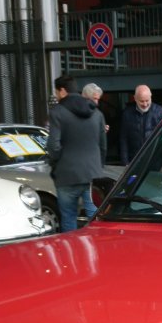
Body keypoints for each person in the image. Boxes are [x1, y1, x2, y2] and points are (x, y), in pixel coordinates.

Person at [46, 75, 107, 231]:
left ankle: (73, 253)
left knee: (68, 218)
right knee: (94, 217)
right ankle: (97, 250)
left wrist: (56, 162)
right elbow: (103, 145)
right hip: (93, 173)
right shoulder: (96, 113)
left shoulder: (57, 112)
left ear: (62, 91)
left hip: (67, 175)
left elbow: (53, 146)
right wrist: (98, 166)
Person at [119, 83, 162, 164]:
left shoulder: (160, 112)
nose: (145, 104)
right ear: (135, 98)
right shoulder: (127, 114)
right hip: (135, 160)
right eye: (141, 101)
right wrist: (125, 162)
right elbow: (124, 139)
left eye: (147, 100)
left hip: (155, 159)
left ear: (151, 97)